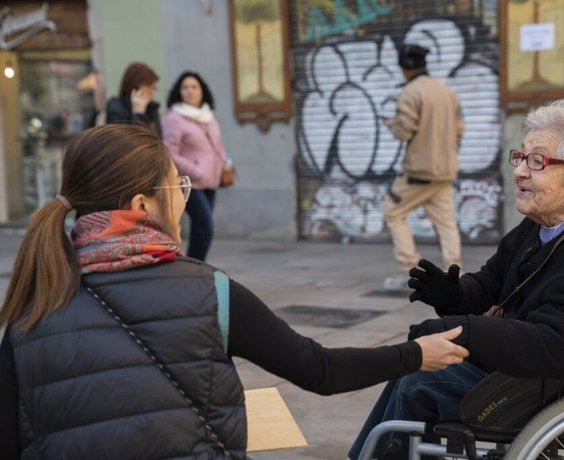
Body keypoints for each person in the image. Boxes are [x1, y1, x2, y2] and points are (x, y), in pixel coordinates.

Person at [0, 124, 469, 459]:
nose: (184, 196)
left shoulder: (28, 312)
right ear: (143, 205)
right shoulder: (210, 292)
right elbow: (319, 370)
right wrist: (414, 355)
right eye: (178, 184)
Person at [349, 99, 564, 460]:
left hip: (557, 384)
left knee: (421, 380)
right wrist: (454, 294)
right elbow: (493, 283)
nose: (521, 172)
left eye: (537, 161)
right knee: (418, 361)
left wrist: (468, 331)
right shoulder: (540, 226)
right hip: (527, 371)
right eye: (521, 157)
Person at [381, 44, 464, 291]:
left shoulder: (410, 92)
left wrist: (392, 124)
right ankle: (454, 273)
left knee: (393, 211)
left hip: (418, 173)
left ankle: (411, 270)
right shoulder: (447, 92)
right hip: (445, 171)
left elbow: (404, 130)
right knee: (446, 222)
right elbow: (459, 130)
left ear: (405, 68)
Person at [162, 71, 232, 261]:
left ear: (202, 91)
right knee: (205, 226)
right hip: (190, 182)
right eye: (185, 87)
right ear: (179, 92)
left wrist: (226, 161)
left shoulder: (208, 115)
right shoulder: (174, 118)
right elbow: (169, 153)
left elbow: (218, 144)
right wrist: (196, 171)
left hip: (212, 181)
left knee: (202, 228)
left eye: (194, 87)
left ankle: (197, 265)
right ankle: (195, 266)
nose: (190, 91)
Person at [105, 61, 161, 136]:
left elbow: (158, 138)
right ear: (136, 88)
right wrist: (138, 113)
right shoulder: (116, 108)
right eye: (150, 87)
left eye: (154, 88)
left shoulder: (151, 108)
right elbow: (134, 140)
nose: (153, 92)